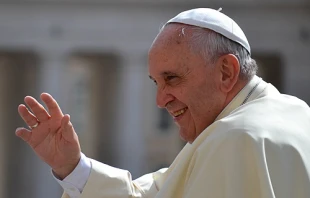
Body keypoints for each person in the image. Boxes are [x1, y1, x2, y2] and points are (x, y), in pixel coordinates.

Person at [16, 8, 310, 198]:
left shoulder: (234, 139)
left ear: (226, 72)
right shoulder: (297, 113)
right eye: (156, 83)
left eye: (172, 78)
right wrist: (72, 166)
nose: (160, 100)